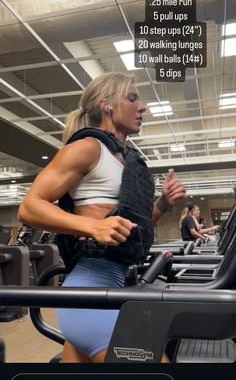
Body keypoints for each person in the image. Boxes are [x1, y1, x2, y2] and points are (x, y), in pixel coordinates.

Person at [17, 72, 186, 363]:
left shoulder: (125, 160)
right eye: (133, 98)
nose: (142, 106)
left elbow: (130, 228)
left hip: (114, 290)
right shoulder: (87, 148)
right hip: (89, 294)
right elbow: (29, 207)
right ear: (106, 105)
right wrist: (93, 225)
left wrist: (163, 204)